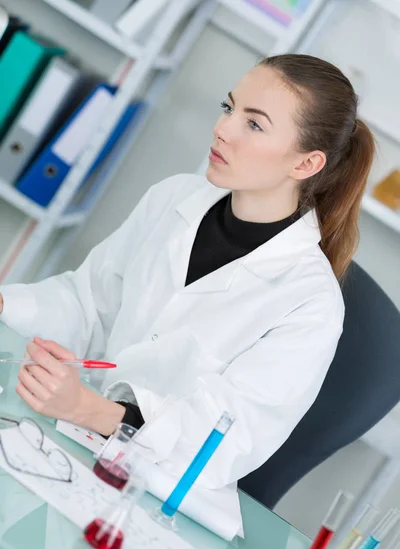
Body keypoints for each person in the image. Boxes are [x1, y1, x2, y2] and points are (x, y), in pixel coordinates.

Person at [0, 54, 375, 491]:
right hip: (70, 441)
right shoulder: (174, 197)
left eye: (254, 124)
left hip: (156, 494)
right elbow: (87, 304)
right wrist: (7, 302)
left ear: (307, 164)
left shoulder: (310, 301)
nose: (223, 129)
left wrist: (88, 409)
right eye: (228, 108)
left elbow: (227, 438)